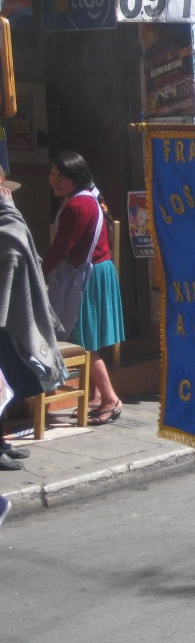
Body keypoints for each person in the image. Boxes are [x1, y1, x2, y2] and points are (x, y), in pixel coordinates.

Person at [42, 151, 124, 426]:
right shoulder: (87, 196)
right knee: (86, 339)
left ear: (75, 178)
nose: (54, 180)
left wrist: (37, 274)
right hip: (97, 271)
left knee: (84, 343)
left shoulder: (77, 206)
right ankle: (96, 396)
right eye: (52, 174)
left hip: (86, 277)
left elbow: (60, 248)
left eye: (61, 177)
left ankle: (110, 399)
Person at [0, 173, 67, 469]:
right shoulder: (7, 222)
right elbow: (14, 250)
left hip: (7, 319)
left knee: (6, 385)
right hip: (3, 319)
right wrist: (10, 210)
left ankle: (2, 441)